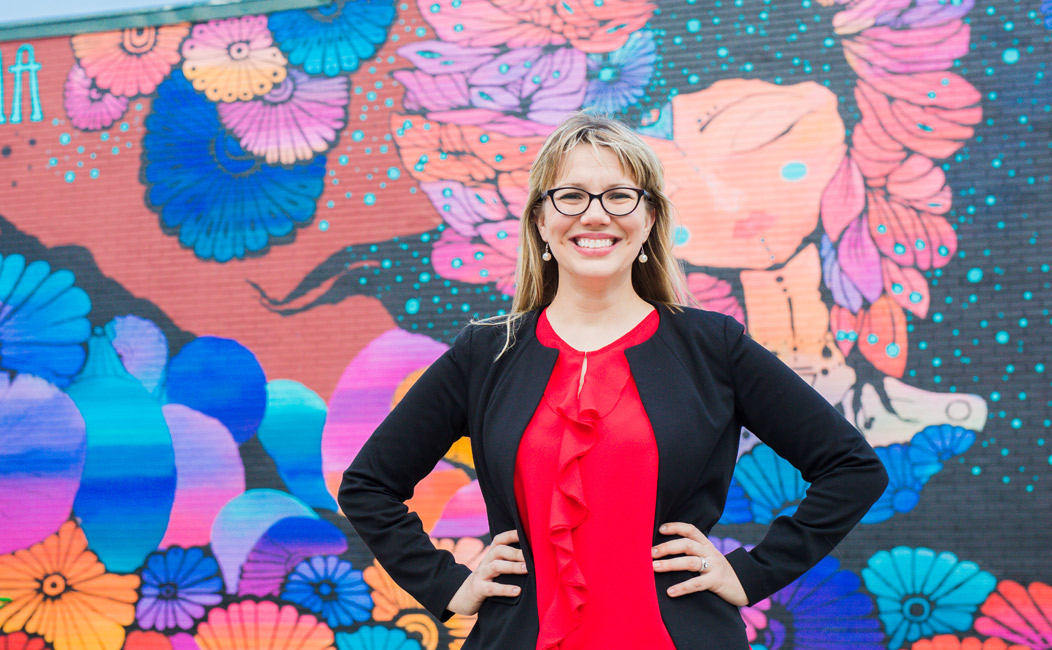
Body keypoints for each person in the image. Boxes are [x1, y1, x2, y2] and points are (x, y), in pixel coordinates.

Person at [336, 112, 888, 650]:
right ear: (540, 222)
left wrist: (753, 574)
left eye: (619, 196)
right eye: (571, 196)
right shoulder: (486, 353)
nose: (595, 215)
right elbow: (368, 485)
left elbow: (852, 469)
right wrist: (448, 584)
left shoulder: (713, 346)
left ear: (648, 220)